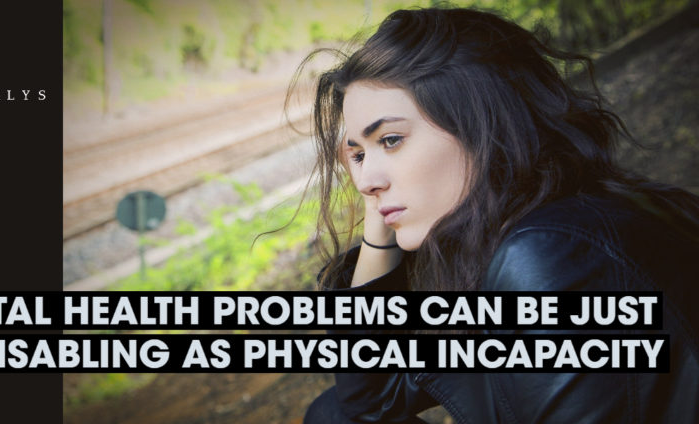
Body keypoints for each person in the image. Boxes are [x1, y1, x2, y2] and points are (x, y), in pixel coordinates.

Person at [293, 7, 699, 424]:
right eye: (358, 154)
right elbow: (369, 398)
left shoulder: (549, 255)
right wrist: (380, 224)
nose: (365, 181)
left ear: (480, 124)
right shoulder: (515, 230)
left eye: (391, 140)